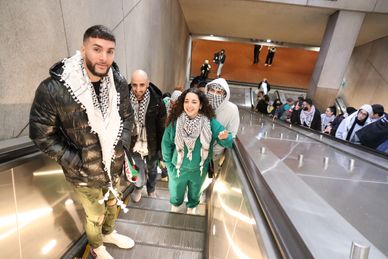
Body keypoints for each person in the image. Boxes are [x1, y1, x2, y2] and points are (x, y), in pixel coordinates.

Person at [29, 25, 135, 258]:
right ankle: (97, 247)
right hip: (83, 172)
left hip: (112, 166)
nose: (103, 58)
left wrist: (122, 145)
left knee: (111, 205)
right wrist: (75, 160)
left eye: (110, 51)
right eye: (97, 49)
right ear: (83, 48)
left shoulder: (117, 82)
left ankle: (109, 233)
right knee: (94, 213)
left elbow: (128, 118)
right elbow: (41, 134)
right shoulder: (54, 88)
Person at [161, 88, 233, 214]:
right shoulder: (175, 123)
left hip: (199, 170)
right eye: (186, 101)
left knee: (196, 192)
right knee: (175, 192)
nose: (189, 105)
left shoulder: (210, 123)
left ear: (200, 105)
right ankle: (176, 205)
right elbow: (166, 144)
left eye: (194, 102)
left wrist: (224, 137)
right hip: (177, 168)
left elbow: (227, 140)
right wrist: (168, 165)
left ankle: (192, 207)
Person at [128, 70, 166, 202]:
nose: (138, 89)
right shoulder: (123, 100)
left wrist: (161, 151)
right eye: (134, 85)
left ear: (148, 84)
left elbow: (162, 128)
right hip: (133, 145)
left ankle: (151, 189)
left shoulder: (158, 102)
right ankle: (138, 188)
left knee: (152, 169)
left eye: (142, 85)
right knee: (137, 170)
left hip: (152, 145)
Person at [206, 78, 240, 162]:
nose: (214, 94)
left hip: (215, 156)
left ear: (225, 95)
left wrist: (215, 152)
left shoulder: (232, 109)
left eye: (219, 92)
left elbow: (231, 133)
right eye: (212, 90)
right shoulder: (201, 104)